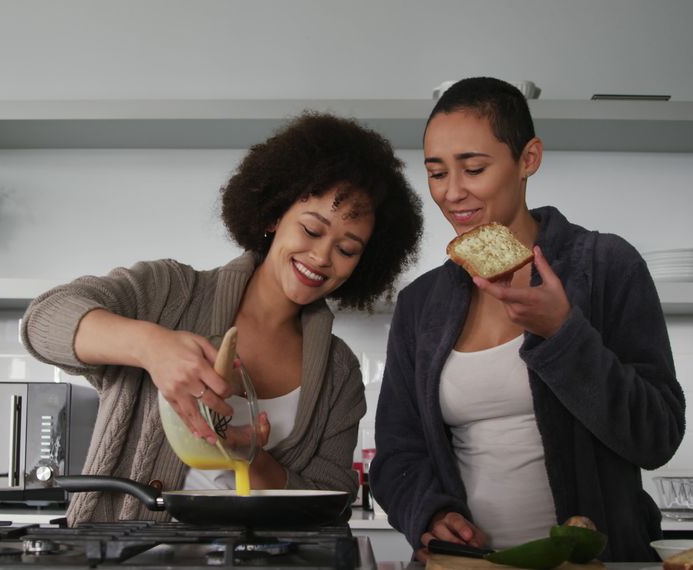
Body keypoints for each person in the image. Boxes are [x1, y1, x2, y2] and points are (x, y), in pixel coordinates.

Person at [21, 112, 423, 525]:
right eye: (311, 230)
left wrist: (247, 457)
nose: (322, 257)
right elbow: (42, 321)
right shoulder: (170, 293)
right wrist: (152, 348)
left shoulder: (339, 372)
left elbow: (331, 501)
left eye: (347, 249)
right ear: (273, 216)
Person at [368, 77, 685, 562]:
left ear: (528, 159)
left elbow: (657, 435)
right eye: (436, 173)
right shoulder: (421, 303)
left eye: (473, 168)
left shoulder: (606, 266)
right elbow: (397, 455)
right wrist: (430, 514)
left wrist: (563, 334)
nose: (452, 192)